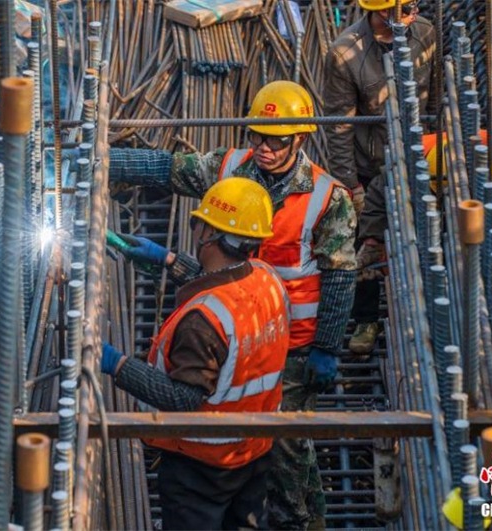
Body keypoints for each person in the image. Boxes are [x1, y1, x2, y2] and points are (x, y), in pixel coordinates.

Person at [108, 80, 357, 529]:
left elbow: (340, 275)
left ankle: (303, 520)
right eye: (257, 136)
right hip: (237, 325)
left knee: (286, 448)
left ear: (299, 139)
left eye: (275, 140)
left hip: (288, 345)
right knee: (269, 448)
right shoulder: (230, 169)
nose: (263, 147)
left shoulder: (327, 198)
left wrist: (328, 344)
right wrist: (102, 162)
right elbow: (166, 168)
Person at [102, 178, 290, 530]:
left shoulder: (202, 321)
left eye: (199, 223)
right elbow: (226, 282)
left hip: (201, 464)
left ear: (209, 234)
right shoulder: (266, 278)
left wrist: (117, 364)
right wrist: (167, 260)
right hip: (254, 448)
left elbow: (182, 399)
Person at [323, 0, 436, 357]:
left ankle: (428, 313)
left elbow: (435, 100)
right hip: (371, 163)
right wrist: (350, 185)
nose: (412, 15)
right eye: (405, 9)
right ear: (381, 11)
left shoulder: (426, 34)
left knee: (426, 234)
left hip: (416, 157)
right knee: (365, 244)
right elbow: (340, 128)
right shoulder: (345, 53)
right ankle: (366, 317)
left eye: (414, 6)